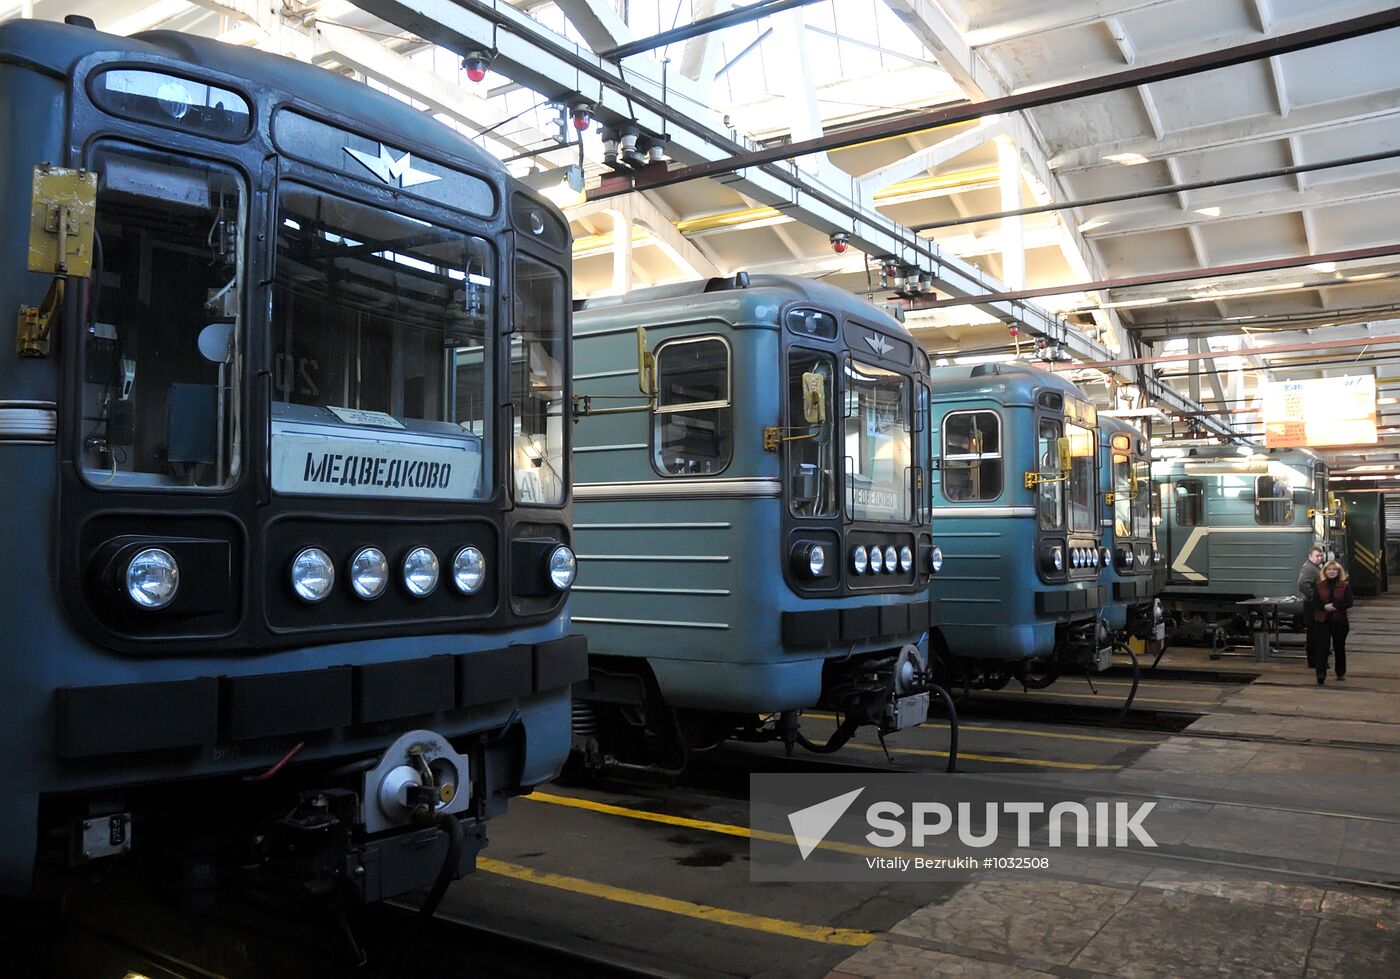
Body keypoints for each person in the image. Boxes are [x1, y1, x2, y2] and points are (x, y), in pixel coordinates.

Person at [1311, 560, 1353, 685]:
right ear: (1325, 571)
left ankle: (1340, 672)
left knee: (1339, 646)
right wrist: (1324, 607)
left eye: (1334, 569)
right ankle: (1320, 675)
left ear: (1339, 572)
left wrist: (1335, 607)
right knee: (1322, 647)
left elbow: (1349, 602)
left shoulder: (1345, 586)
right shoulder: (1319, 586)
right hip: (1322, 620)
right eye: (1329, 569)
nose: (1332, 571)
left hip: (1339, 620)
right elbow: (1315, 602)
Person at [1298, 545, 1325, 668]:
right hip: (1311, 605)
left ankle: (1316, 659)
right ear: (1310, 556)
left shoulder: (1314, 567)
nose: (1319, 558)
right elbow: (1303, 584)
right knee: (1314, 632)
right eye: (1317, 556)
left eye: (1321, 556)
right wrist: (1314, 598)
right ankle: (1313, 661)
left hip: (1313, 604)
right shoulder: (1309, 568)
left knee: (1316, 632)